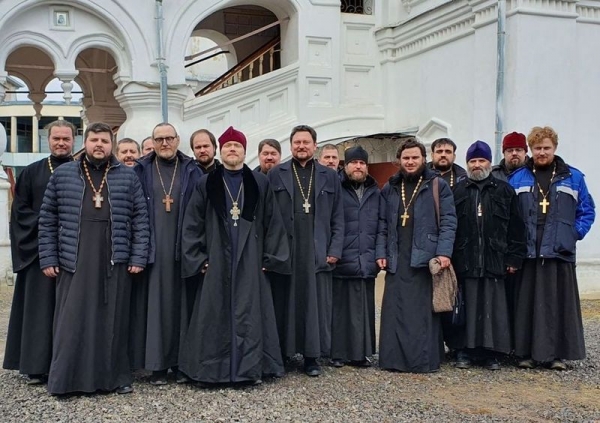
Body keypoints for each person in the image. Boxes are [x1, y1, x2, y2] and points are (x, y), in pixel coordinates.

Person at [38, 122, 150, 395]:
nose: (99, 145)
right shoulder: (64, 174)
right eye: (94, 140)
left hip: (115, 257)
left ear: (111, 145)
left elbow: (140, 220)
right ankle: (67, 381)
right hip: (73, 257)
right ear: (84, 143)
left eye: (104, 140)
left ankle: (114, 378)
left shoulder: (127, 176)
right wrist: (48, 257)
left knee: (114, 320)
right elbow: (47, 220)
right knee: (71, 320)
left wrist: (138, 256)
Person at [179, 126, 290, 385]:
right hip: (216, 259)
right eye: (227, 146)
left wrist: (270, 259)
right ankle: (211, 371)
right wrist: (198, 258)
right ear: (221, 150)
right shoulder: (206, 182)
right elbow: (192, 223)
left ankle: (250, 370)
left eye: (236, 146)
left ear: (244, 151)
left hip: (250, 260)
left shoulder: (259, 182)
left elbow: (273, 223)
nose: (232, 150)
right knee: (213, 314)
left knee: (250, 314)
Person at [509, 126, 595, 370]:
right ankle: (524, 353)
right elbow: (510, 216)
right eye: (537, 148)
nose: (542, 152)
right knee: (527, 305)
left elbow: (587, 211)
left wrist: (573, 234)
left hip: (559, 251)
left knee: (557, 305)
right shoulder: (518, 179)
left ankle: (556, 355)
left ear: (554, 148)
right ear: (531, 150)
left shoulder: (574, 178)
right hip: (528, 250)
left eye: (546, 148)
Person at [268, 124, 344, 377]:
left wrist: (334, 249)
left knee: (314, 306)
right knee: (285, 303)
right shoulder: (276, 173)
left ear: (315, 145)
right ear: (291, 145)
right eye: (297, 142)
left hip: (317, 249)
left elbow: (338, 216)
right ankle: (283, 354)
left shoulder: (329, 175)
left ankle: (311, 357)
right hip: (285, 250)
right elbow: (266, 217)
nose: (301, 146)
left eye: (306, 142)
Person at [3, 120, 75, 385]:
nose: (61, 143)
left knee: (71, 310)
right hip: (38, 253)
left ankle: (69, 362)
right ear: (48, 139)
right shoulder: (32, 172)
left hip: (74, 253)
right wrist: (49, 231)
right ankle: (35, 365)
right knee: (39, 310)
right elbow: (20, 213)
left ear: (73, 141)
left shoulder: (82, 171)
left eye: (66, 139)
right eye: (56, 138)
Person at [376, 137, 456, 373]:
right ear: (399, 161)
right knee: (395, 309)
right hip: (397, 255)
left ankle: (422, 361)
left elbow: (449, 221)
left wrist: (443, 252)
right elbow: (381, 224)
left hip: (424, 257)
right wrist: (381, 252)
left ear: (424, 159)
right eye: (406, 158)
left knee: (421, 313)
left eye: (415, 158)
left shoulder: (437, 185)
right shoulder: (390, 187)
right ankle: (393, 360)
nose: (410, 162)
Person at [131, 123, 201, 385]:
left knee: (183, 309)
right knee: (155, 310)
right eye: (158, 139)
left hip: (183, 250)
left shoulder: (191, 169)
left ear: (177, 140)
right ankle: (158, 366)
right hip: (153, 251)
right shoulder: (141, 169)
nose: (164, 143)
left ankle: (182, 364)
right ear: (152, 141)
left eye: (169, 138)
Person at [449, 141, 526, 370]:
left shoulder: (504, 190)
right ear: (467, 164)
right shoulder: (457, 191)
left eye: (481, 160)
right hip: (465, 258)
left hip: (495, 258)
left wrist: (514, 258)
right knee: (466, 308)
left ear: (489, 163)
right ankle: (464, 350)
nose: (476, 165)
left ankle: (490, 353)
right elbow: (449, 226)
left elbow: (516, 227)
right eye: (472, 161)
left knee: (492, 308)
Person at [330, 146, 380, 368]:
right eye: (353, 163)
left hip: (366, 257)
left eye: (362, 163)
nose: (358, 167)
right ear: (345, 166)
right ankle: (338, 353)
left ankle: (361, 353)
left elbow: (381, 225)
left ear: (366, 167)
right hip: (342, 258)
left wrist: (378, 255)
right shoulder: (335, 188)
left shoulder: (375, 191)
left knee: (363, 310)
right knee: (340, 310)